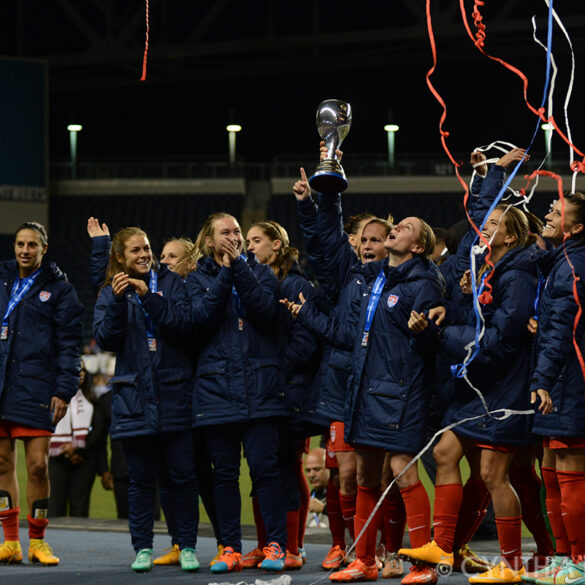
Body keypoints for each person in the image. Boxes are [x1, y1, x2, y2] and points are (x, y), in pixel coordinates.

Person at [400, 204, 547, 585]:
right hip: (480, 385)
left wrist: (440, 335)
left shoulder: (518, 276)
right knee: (444, 452)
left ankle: (512, 563)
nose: (486, 227)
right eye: (486, 221)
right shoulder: (489, 271)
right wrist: (452, 309)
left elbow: (500, 342)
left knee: (493, 475)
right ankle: (443, 544)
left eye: (495, 224)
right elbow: (478, 323)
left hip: (506, 387)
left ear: (511, 237)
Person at [292, 165, 394, 573]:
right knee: (347, 477)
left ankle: (384, 547)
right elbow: (323, 242)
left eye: (376, 239)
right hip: (340, 387)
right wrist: (321, 196)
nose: (367, 245)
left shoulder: (400, 282)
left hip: (379, 388)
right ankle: (350, 546)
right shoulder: (344, 275)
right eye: (363, 239)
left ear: (392, 243)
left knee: (385, 475)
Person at [185, 212, 288, 573]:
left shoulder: (262, 273)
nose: (234, 237)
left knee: (266, 470)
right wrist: (228, 273)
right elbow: (201, 319)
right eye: (225, 233)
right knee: (224, 474)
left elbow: (263, 312)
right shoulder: (196, 280)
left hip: (261, 388)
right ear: (210, 241)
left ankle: (275, 545)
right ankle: (229, 547)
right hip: (217, 391)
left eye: (238, 231)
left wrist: (238, 269)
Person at [93, 226, 199, 573]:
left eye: (147, 248)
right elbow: (107, 340)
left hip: (174, 394)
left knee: (181, 477)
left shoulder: (171, 282)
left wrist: (148, 296)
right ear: (120, 258)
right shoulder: (111, 291)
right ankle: (142, 548)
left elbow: (184, 324)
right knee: (140, 481)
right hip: (135, 399)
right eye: (135, 250)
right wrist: (121, 300)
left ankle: (186, 545)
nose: (144, 255)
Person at [241, 220, 324, 570]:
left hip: (290, 392)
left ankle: (292, 545)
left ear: (277, 245)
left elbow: (306, 343)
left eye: (256, 240)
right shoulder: (260, 281)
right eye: (247, 241)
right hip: (268, 389)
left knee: (285, 468)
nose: (249, 247)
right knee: (265, 469)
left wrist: (275, 373)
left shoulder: (293, 282)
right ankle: (267, 545)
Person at [0, 221, 83, 565]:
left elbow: (69, 345)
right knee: (2, 463)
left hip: (36, 387)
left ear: (44, 249)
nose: (24, 250)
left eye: (32, 245)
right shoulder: (2, 280)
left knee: (37, 466)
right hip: (1, 386)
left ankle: (37, 541)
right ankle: (9, 542)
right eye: (20, 244)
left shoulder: (61, 290)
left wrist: (64, 389)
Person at [523, 192, 585, 585]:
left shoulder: (574, 264)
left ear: (576, 228)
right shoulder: (561, 261)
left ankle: (578, 560)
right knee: (549, 471)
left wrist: (542, 379)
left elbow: (563, 329)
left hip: (568, 381)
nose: (548, 213)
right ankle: (564, 556)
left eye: (557, 212)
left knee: (568, 470)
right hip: (559, 379)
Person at [48, 363, 109, 517]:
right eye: (75, 369)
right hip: (58, 458)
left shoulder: (93, 401)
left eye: (82, 370)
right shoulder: (51, 398)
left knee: (79, 508)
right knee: (55, 506)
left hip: (84, 460)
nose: (79, 373)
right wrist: (68, 450)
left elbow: (98, 432)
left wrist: (75, 448)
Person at [305, 447, 330, 527]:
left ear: (328, 468)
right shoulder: (307, 498)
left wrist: (324, 509)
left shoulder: (342, 494)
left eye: (317, 469)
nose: (311, 475)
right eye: (308, 471)